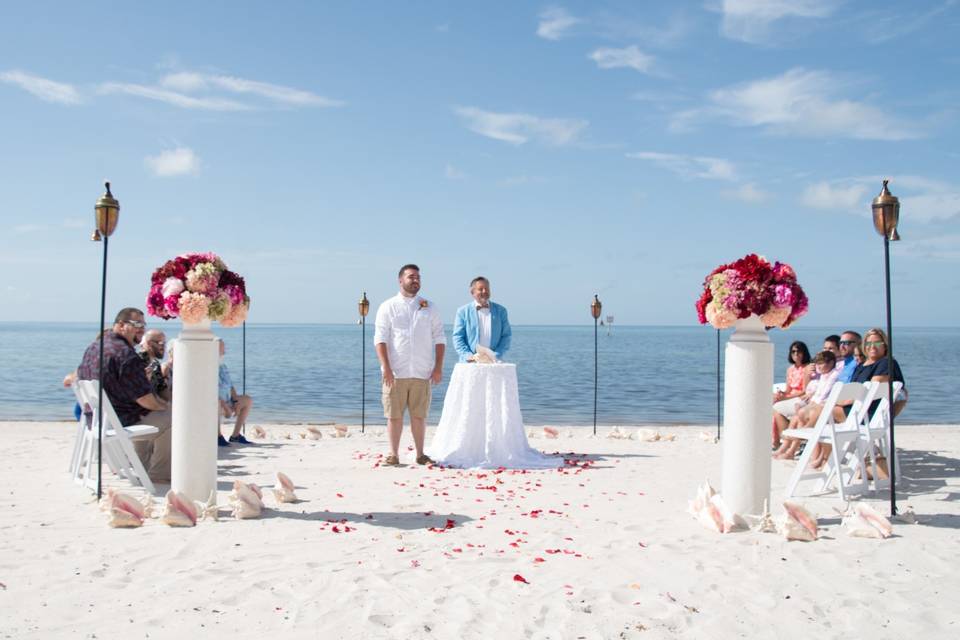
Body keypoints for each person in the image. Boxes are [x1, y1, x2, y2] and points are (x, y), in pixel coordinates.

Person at [76, 307, 172, 483]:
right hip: (119, 421)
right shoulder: (126, 355)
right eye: (136, 324)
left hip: (96, 419)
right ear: (120, 325)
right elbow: (145, 399)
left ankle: (141, 466)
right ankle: (160, 474)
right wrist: (164, 406)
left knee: (154, 414)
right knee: (173, 417)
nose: (141, 329)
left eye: (143, 325)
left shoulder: (95, 347)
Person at [374, 264, 446, 466]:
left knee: (419, 416)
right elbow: (380, 339)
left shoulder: (429, 307)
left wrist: (438, 367)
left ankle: (420, 454)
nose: (416, 280)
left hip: (422, 371)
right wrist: (386, 368)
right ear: (400, 280)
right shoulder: (388, 306)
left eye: (418, 277)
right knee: (394, 415)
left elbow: (440, 338)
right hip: (395, 372)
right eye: (411, 277)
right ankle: (393, 454)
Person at [773, 350, 840, 462]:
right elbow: (815, 391)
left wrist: (810, 403)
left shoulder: (833, 375)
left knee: (800, 415)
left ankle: (795, 443)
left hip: (822, 405)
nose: (819, 366)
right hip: (815, 403)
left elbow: (824, 394)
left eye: (821, 363)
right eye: (818, 363)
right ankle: (786, 448)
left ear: (831, 363)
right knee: (796, 416)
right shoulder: (823, 375)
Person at [452, 276, 512, 362]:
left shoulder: (501, 311)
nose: (484, 291)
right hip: (470, 363)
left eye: (487, 288)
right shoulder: (462, 311)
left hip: (494, 362)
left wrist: (496, 355)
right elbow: (458, 337)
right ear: (472, 292)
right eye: (480, 289)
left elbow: (506, 336)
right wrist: (468, 356)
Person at [772, 341, 812, 447]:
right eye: (793, 351)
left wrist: (785, 397)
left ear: (804, 353)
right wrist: (782, 394)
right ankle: (777, 439)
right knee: (772, 400)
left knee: (776, 408)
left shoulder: (807, 368)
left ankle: (784, 439)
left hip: (800, 397)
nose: (796, 354)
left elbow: (804, 390)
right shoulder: (790, 369)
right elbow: (788, 389)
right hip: (790, 396)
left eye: (799, 351)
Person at [217, 340, 254, 446]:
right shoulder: (208, 367)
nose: (224, 352)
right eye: (221, 349)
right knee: (216, 404)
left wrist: (236, 401)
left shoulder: (222, 366)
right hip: (217, 403)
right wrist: (225, 406)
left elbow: (230, 385)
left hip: (228, 400)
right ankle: (218, 437)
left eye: (223, 349)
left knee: (247, 400)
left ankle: (235, 436)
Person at [138, 329, 170, 400]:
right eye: (160, 343)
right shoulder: (138, 361)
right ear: (149, 343)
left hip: (154, 405)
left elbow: (162, 389)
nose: (163, 347)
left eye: (164, 343)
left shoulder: (155, 363)